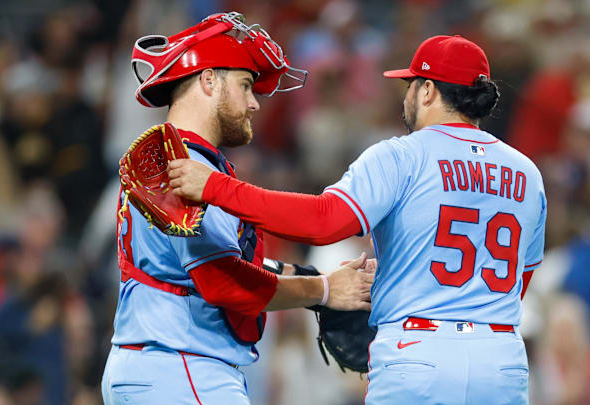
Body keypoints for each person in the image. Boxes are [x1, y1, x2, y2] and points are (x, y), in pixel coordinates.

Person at [168, 35, 547, 404]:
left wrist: (216, 187)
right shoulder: (528, 174)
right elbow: (517, 281)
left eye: (411, 84)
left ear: (428, 90)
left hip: (419, 354)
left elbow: (323, 221)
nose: (408, 95)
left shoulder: (401, 156)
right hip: (501, 359)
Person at [101, 13, 374, 405]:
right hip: (182, 367)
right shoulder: (185, 166)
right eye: (246, 86)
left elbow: (222, 263)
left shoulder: (175, 157)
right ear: (208, 80)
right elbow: (222, 281)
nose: (253, 104)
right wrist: (324, 290)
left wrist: (315, 279)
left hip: (158, 365)